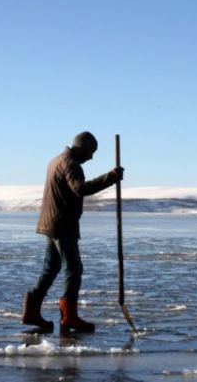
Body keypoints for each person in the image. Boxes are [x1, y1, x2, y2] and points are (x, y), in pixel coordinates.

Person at [21, 131, 123, 332]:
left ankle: (31, 312)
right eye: (90, 152)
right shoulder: (70, 164)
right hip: (62, 224)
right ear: (82, 148)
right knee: (73, 268)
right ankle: (69, 317)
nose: (91, 157)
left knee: (51, 268)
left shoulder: (56, 160)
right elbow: (80, 188)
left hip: (51, 222)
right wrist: (110, 178)